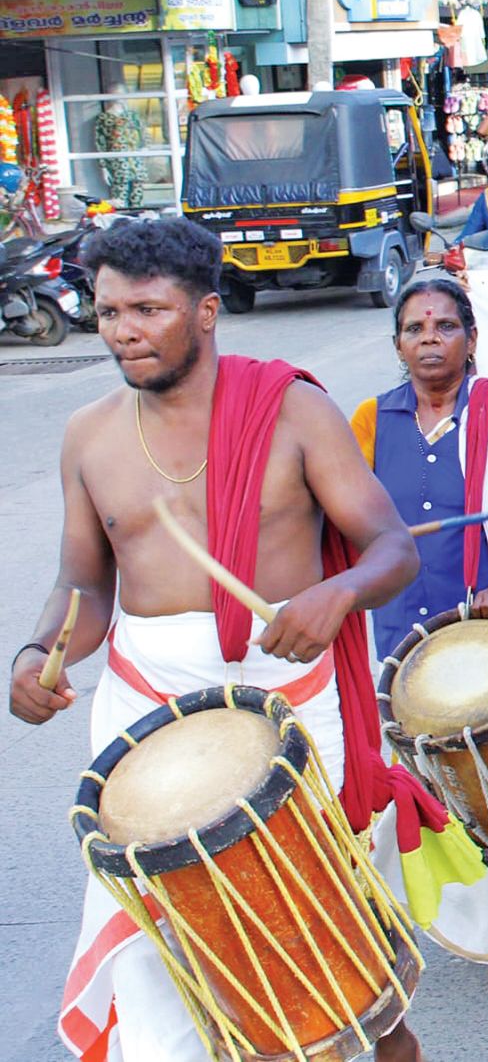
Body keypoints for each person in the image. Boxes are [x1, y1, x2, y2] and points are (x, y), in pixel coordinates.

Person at [12, 219, 429, 1062]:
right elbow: (86, 584)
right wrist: (37, 653)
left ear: (206, 312)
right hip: (149, 715)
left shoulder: (293, 409)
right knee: (169, 955)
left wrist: (335, 592)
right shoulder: (89, 434)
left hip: (285, 704)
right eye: (108, 311)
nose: (124, 330)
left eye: (147, 310)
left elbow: (392, 548)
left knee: (322, 945)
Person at [349, 278, 488, 1015]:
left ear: (470, 336)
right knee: (411, 786)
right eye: (413, 327)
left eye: (443, 325)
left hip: (484, 630)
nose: (428, 338)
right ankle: (421, 920)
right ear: (397, 342)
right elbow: (342, 515)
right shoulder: (371, 419)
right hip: (393, 634)